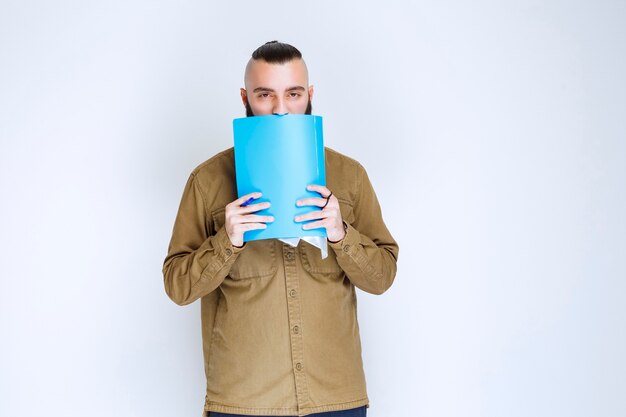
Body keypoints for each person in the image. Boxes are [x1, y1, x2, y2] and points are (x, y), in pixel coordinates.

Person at [163, 41, 399, 417]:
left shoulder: (350, 177)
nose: (280, 109)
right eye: (264, 95)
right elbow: (177, 286)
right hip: (244, 402)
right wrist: (228, 241)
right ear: (245, 97)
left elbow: (382, 277)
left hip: (336, 398)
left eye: (293, 94)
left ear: (310, 95)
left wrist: (341, 234)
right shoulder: (207, 181)